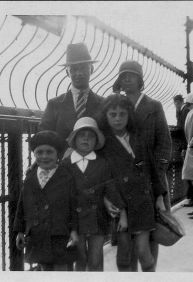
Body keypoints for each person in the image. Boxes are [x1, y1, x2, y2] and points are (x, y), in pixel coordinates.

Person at [112, 60, 170, 270]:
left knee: (150, 236)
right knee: (125, 240)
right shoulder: (117, 105)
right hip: (124, 181)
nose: (127, 79)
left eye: (131, 75)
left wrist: (158, 172)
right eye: (123, 76)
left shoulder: (154, 106)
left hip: (151, 179)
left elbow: (164, 142)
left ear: (140, 79)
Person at [99, 94, 161, 272]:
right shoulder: (103, 144)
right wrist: (106, 199)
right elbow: (103, 177)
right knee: (124, 256)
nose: (118, 118)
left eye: (122, 114)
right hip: (120, 203)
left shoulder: (138, 137)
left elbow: (152, 168)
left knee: (143, 251)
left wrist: (160, 196)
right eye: (113, 114)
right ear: (106, 116)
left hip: (143, 203)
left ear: (129, 115)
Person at [63, 117, 126, 271]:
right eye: (82, 135)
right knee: (80, 259)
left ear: (96, 141)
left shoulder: (102, 163)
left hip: (97, 218)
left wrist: (123, 213)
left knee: (96, 260)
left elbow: (111, 188)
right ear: (74, 139)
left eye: (91, 136)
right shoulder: (65, 164)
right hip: (74, 220)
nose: (86, 138)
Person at [13, 130, 79, 271]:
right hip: (38, 234)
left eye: (49, 152)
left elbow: (74, 206)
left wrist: (74, 230)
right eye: (39, 152)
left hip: (60, 234)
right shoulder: (30, 177)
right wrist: (19, 231)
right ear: (34, 154)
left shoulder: (67, 177)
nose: (44, 156)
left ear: (58, 155)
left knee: (62, 270)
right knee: (44, 268)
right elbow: (22, 205)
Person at [39, 42, 104, 142]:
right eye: (73, 69)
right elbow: (44, 138)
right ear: (67, 72)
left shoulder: (104, 104)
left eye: (83, 68)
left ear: (91, 69)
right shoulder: (54, 104)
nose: (79, 73)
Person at [173, 94, 193, 207]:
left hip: (186, 146)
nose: (175, 106)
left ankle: (192, 198)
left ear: (178, 102)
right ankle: (191, 197)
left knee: (189, 172)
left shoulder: (184, 111)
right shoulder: (183, 111)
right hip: (187, 145)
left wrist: (183, 147)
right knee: (188, 172)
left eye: (175, 103)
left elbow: (183, 130)